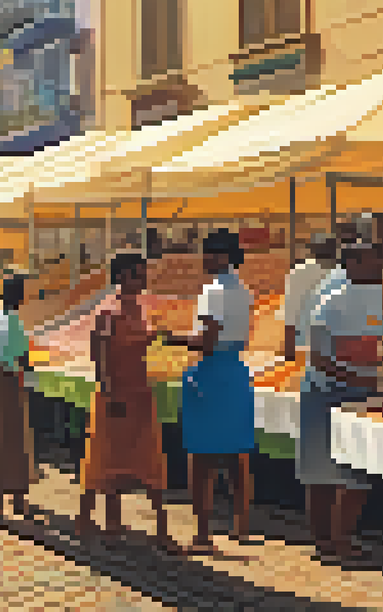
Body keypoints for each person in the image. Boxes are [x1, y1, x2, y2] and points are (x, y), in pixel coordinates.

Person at [78, 253, 177, 552]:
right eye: (137, 274)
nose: (142, 279)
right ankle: (95, 521)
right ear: (121, 277)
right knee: (106, 461)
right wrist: (109, 392)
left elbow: (130, 344)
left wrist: (154, 337)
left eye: (143, 274)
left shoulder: (138, 309)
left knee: (148, 462)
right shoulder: (109, 311)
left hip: (140, 394)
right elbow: (101, 353)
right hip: (117, 395)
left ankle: (154, 529)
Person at [165, 229, 255, 554]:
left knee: (201, 457)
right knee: (236, 453)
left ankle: (203, 533)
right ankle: (241, 523)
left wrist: (171, 337)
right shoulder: (243, 291)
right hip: (236, 372)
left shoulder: (212, 291)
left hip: (212, 372)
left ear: (222, 256)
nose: (204, 259)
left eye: (209, 253)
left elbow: (207, 340)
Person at [299, 241, 383, 560]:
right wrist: (356, 378)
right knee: (322, 472)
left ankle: (340, 538)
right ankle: (327, 541)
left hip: (359, 393)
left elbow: (373, 343)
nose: (379, 264)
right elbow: (319, 358)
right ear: (351, 264)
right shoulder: (331, 302)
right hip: (325, 392)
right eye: (372, 259)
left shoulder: (375, 300)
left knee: (357, 473)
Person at [0, 274, 34, 525]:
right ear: (20, 296)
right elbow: (24, 359)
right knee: (17, 441)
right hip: (12, 382)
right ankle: (19, 500)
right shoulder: (16, 323)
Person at [281, 234, 340, 363]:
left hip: (306, 345)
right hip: (338, 344)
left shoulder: (299, 272)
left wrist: (289, 352)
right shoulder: (342, 272)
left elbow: (291, 312)